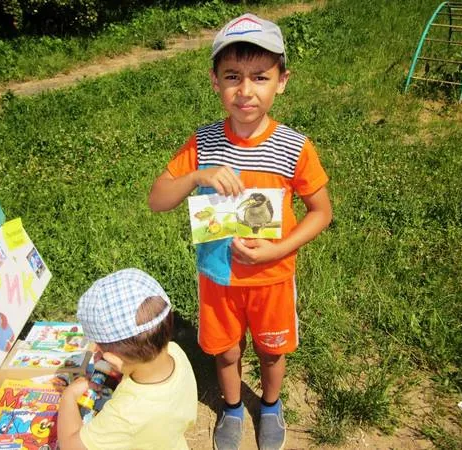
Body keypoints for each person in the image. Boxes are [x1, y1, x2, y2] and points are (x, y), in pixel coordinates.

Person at [148, 12, 333, 450]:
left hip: (272, 278)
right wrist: (197, 176)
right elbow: (157, 200)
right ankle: (231, 408)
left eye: (260, 77)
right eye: (232, 76)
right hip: (218, 279)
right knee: (226, 351)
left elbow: (321, 212)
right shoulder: (203, 143)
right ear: (215, 81)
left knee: (271, 350)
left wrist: (277, 251)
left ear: (281, 81)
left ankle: (269, 405)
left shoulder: (295, 147)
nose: (245, 90)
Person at [57, 268, 198, 450]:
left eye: (99, 348)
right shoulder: (175, 351)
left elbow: (71, 446)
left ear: (113, 359)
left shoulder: (126, 414)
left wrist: (68, 396)